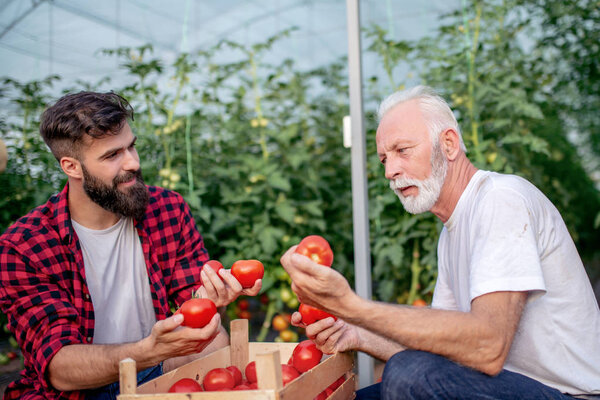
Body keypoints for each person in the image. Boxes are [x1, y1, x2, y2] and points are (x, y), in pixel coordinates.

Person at [280, 85, 600, 399]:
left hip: (568, 394)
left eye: (402, 150)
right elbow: (446, 351)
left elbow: (487, 345)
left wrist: (350, 305)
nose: (391, 170)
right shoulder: (451, 232)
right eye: (383, 160)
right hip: (501, 386)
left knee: (410, 373)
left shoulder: (501, 200)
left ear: (448, 144)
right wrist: (356, 333)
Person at [0, 91, 261, 400]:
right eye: (112, 155)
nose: (133, 163)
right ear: (72, 167)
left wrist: (206, 296)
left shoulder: (167, 208)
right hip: (78, 390)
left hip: (158, 369)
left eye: (131, 146)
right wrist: (146, 351)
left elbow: (189, 298)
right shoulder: (24, 245)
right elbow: (59, 366)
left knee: (214, 337)